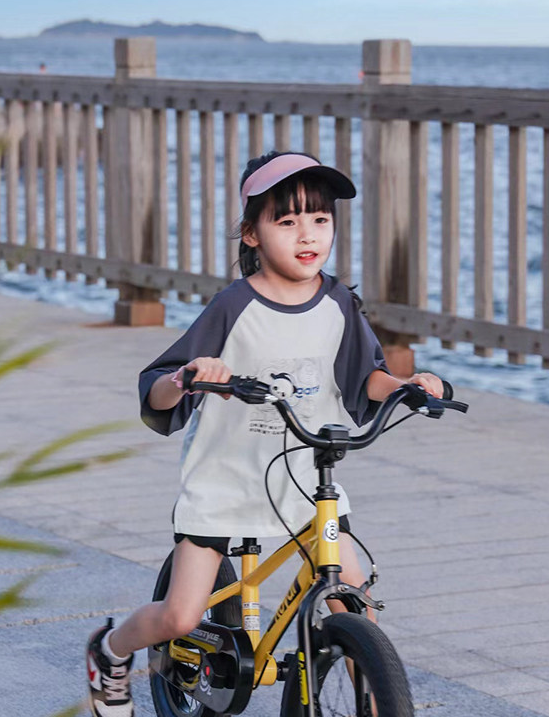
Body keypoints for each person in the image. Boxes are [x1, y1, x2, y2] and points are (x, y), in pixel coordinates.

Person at [85, 150, 443, 716]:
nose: (308, 234)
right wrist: (188, 377)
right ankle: (110, 652)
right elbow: (157, 389)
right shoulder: (234, 305)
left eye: (320, 219)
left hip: (304, 480)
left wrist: (407, 385)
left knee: (356, 603)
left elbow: (365, 377)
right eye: (287, 221)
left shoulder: (338, 302)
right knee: (180, 616)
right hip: (225, 480)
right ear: (252, 234)